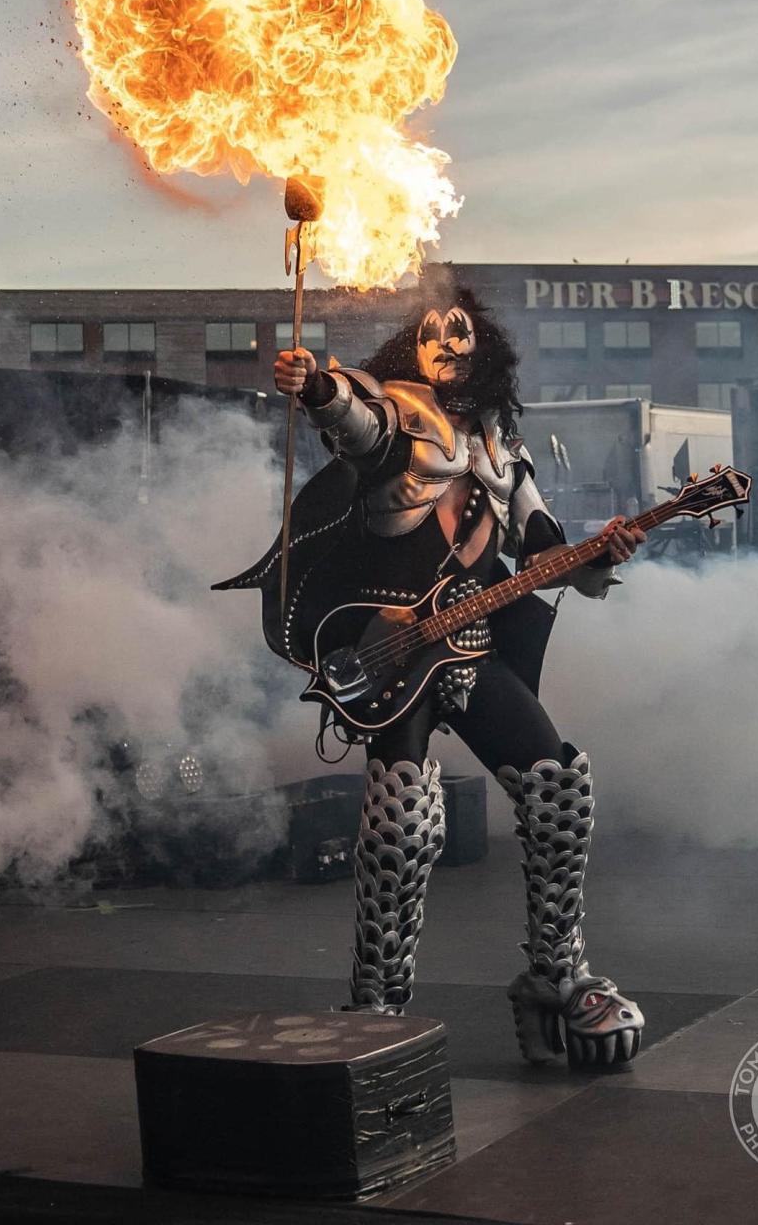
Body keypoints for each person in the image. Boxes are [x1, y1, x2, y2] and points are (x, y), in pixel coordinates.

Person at [218, 280, 646, 1068]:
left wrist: (600, 556)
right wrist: (316, 385)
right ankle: (377, 1005)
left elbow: (546, 556)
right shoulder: (400, 410)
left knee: (560, 787)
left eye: (462, 335)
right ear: (411, 346)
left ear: (485, 347)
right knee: (406, 824)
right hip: (393, 649)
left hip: (473, 647)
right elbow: (355, 420)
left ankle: (557, 978)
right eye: (433, 334)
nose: (449, 344)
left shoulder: (502, 448)